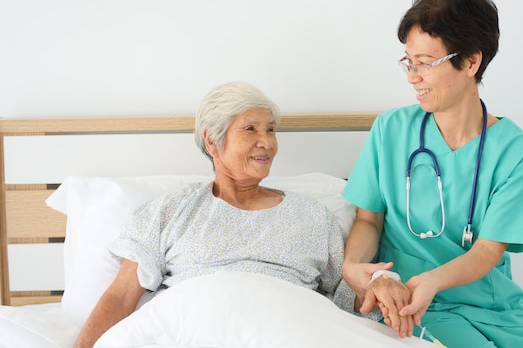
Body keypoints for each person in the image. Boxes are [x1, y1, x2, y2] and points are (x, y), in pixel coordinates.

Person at [73, 82, 359, 348]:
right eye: (250, 129)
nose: (267, 142)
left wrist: (383, 291)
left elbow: (348, 297)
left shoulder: (312, 216)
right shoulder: (170, 211)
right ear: (212, 141)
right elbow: (121, 296)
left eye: (270, 130)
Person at [340, 0, 523, 347]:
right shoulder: (390, 130)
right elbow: (368, 220)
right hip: (412, 304)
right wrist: (357, 268)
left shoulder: (519, 154)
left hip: (492, 307)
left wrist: (434, 280)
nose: (412, 77)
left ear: (470, 61)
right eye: (408, 62)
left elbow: (486, 251)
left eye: (424, 63)